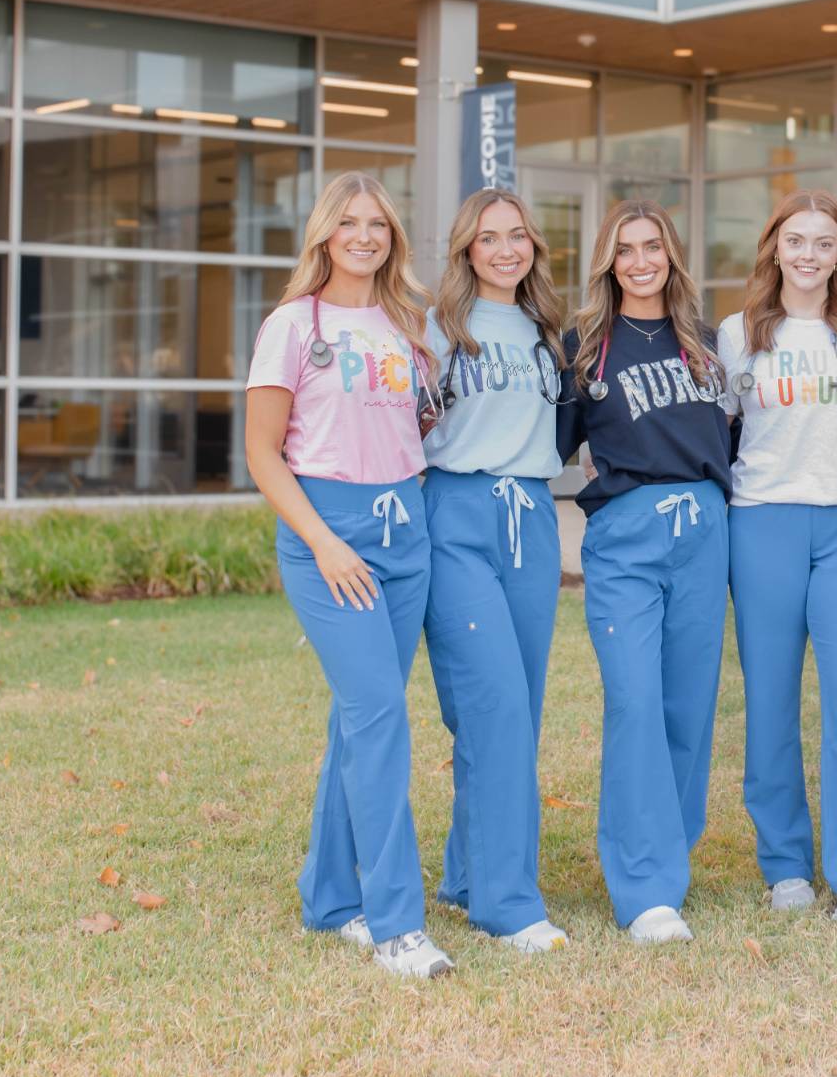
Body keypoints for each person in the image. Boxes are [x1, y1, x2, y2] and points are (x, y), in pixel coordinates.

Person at [243, 171, 451, 979]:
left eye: (378, 224)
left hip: (408, 531)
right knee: (378, 717)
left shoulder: (408, 324)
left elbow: (420, 421)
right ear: (325, 233)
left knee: (358, 723)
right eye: (349, 222)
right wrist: (325, 541)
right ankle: (395, 920)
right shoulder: (293, 326)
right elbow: (263, 451)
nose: (365, 235)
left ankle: (330, 898)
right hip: (330, 537)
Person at [557, 201, 732, 945]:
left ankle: (669, 852)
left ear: (671, 254)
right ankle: (643, 888)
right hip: (625, 535)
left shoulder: (706, 341)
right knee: (635, 701)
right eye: (624, 249)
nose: (639, 261)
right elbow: (549, 445)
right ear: (608, 260)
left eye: (651, 246)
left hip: (704, 528)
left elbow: (736, 435)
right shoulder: (584, 346)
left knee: (688, 707)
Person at [717, 190, 837, 926]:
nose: (810, 255)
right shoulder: (737, 332)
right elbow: (722, 429)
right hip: (762, 521)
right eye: (797, 241)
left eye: (825, 242)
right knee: (771, 701)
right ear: (775, 247)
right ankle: (784, 863)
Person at [418, 188, 569, 955]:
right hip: (458, 515)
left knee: (519, 712)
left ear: (533, 247)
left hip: (532, 522)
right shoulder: (438, 329)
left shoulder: (551, 334)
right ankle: (508, 904)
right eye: (488, 238)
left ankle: (468, 874)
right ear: (466, 250)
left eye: (517, 236)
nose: (505, 249)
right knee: (494, 704)